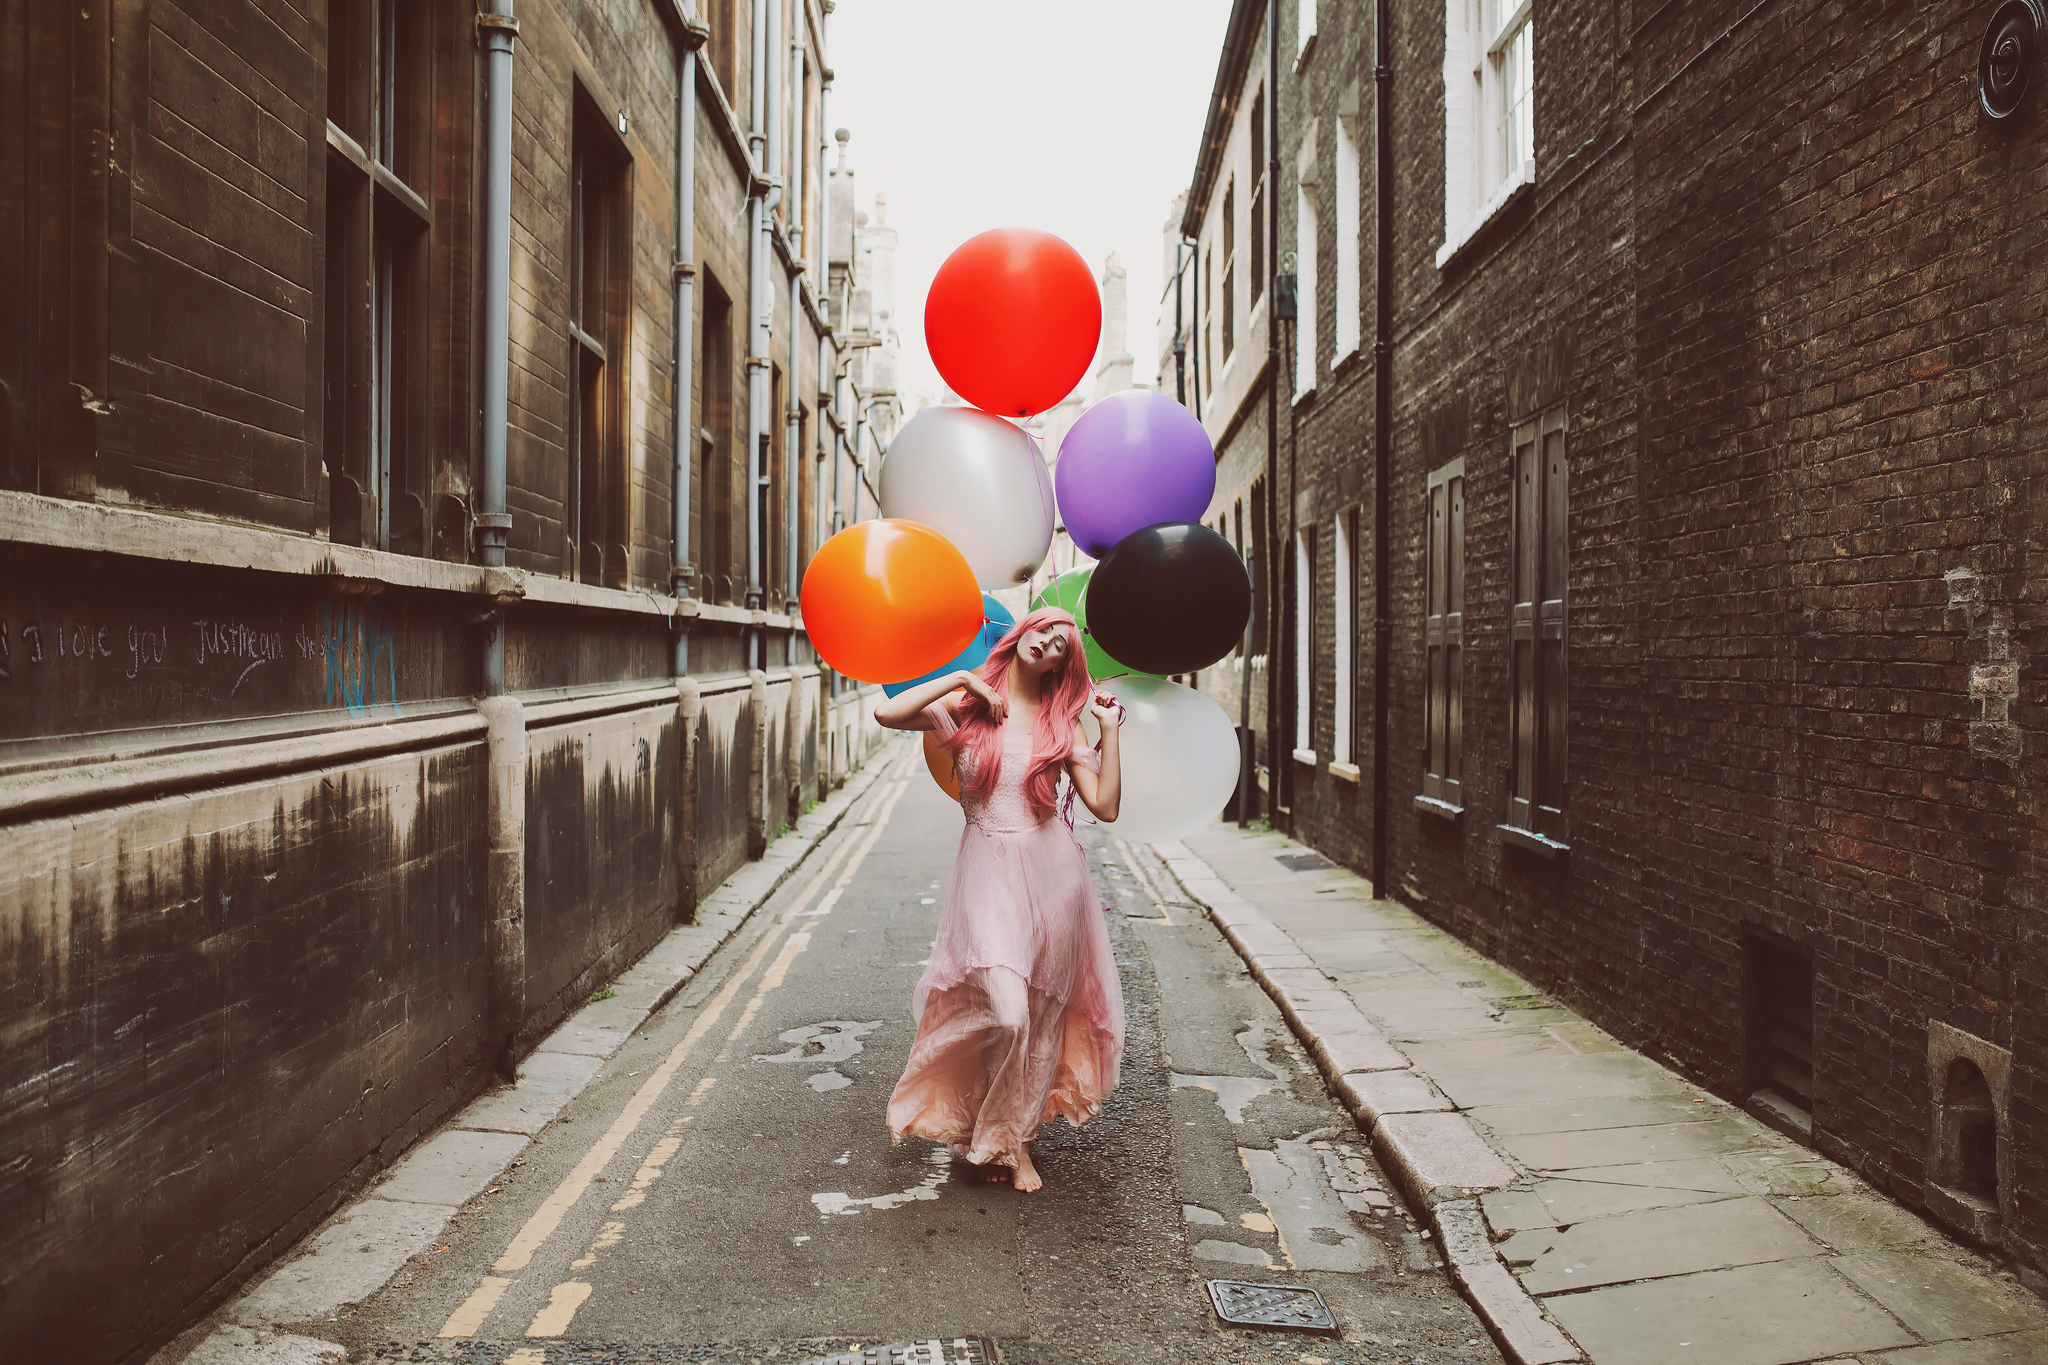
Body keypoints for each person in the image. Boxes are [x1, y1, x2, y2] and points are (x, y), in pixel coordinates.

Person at [872, 606, 1125, 1192]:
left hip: (1054, 879)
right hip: (986, 872)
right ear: (1021, 635)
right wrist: (964, 681)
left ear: (1065, 662)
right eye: (1043, 629)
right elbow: (888, 711)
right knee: (1006, 1012)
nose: (1049, 642)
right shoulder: (967, 707)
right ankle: (983, 1122)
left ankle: (1014, 1142)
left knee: (1040, 1019)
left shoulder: (1064, 726)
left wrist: (1109, 733)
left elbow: (1105, 806)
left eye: (1062, 642)